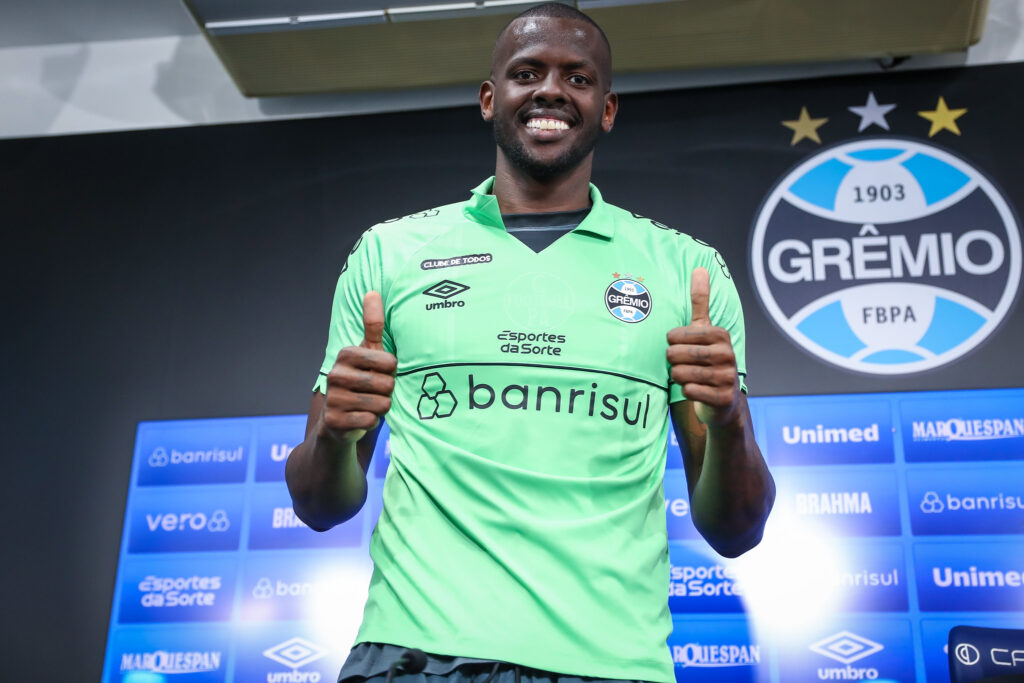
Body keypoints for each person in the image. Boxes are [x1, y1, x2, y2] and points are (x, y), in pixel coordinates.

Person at [286, 4, 775, 683]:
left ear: (606, 110)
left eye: (578, 77)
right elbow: (318, 505)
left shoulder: (685, 270)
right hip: (412, 655)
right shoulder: (389, 254)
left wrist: (727, 424)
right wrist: (334, 438)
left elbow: (737, 530)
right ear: (491, 99)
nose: (550, 89)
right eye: (527, 72)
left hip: (611, 665)